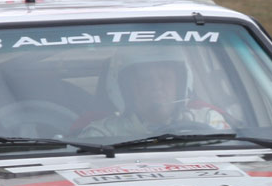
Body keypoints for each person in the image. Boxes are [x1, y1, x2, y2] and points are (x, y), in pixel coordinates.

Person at [80, 56, 229, 138]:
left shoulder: (209, 121)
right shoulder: (102, 135)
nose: (157, 86)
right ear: (126, 89)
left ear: (181, 85)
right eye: (145, 79)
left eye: (165, 78)